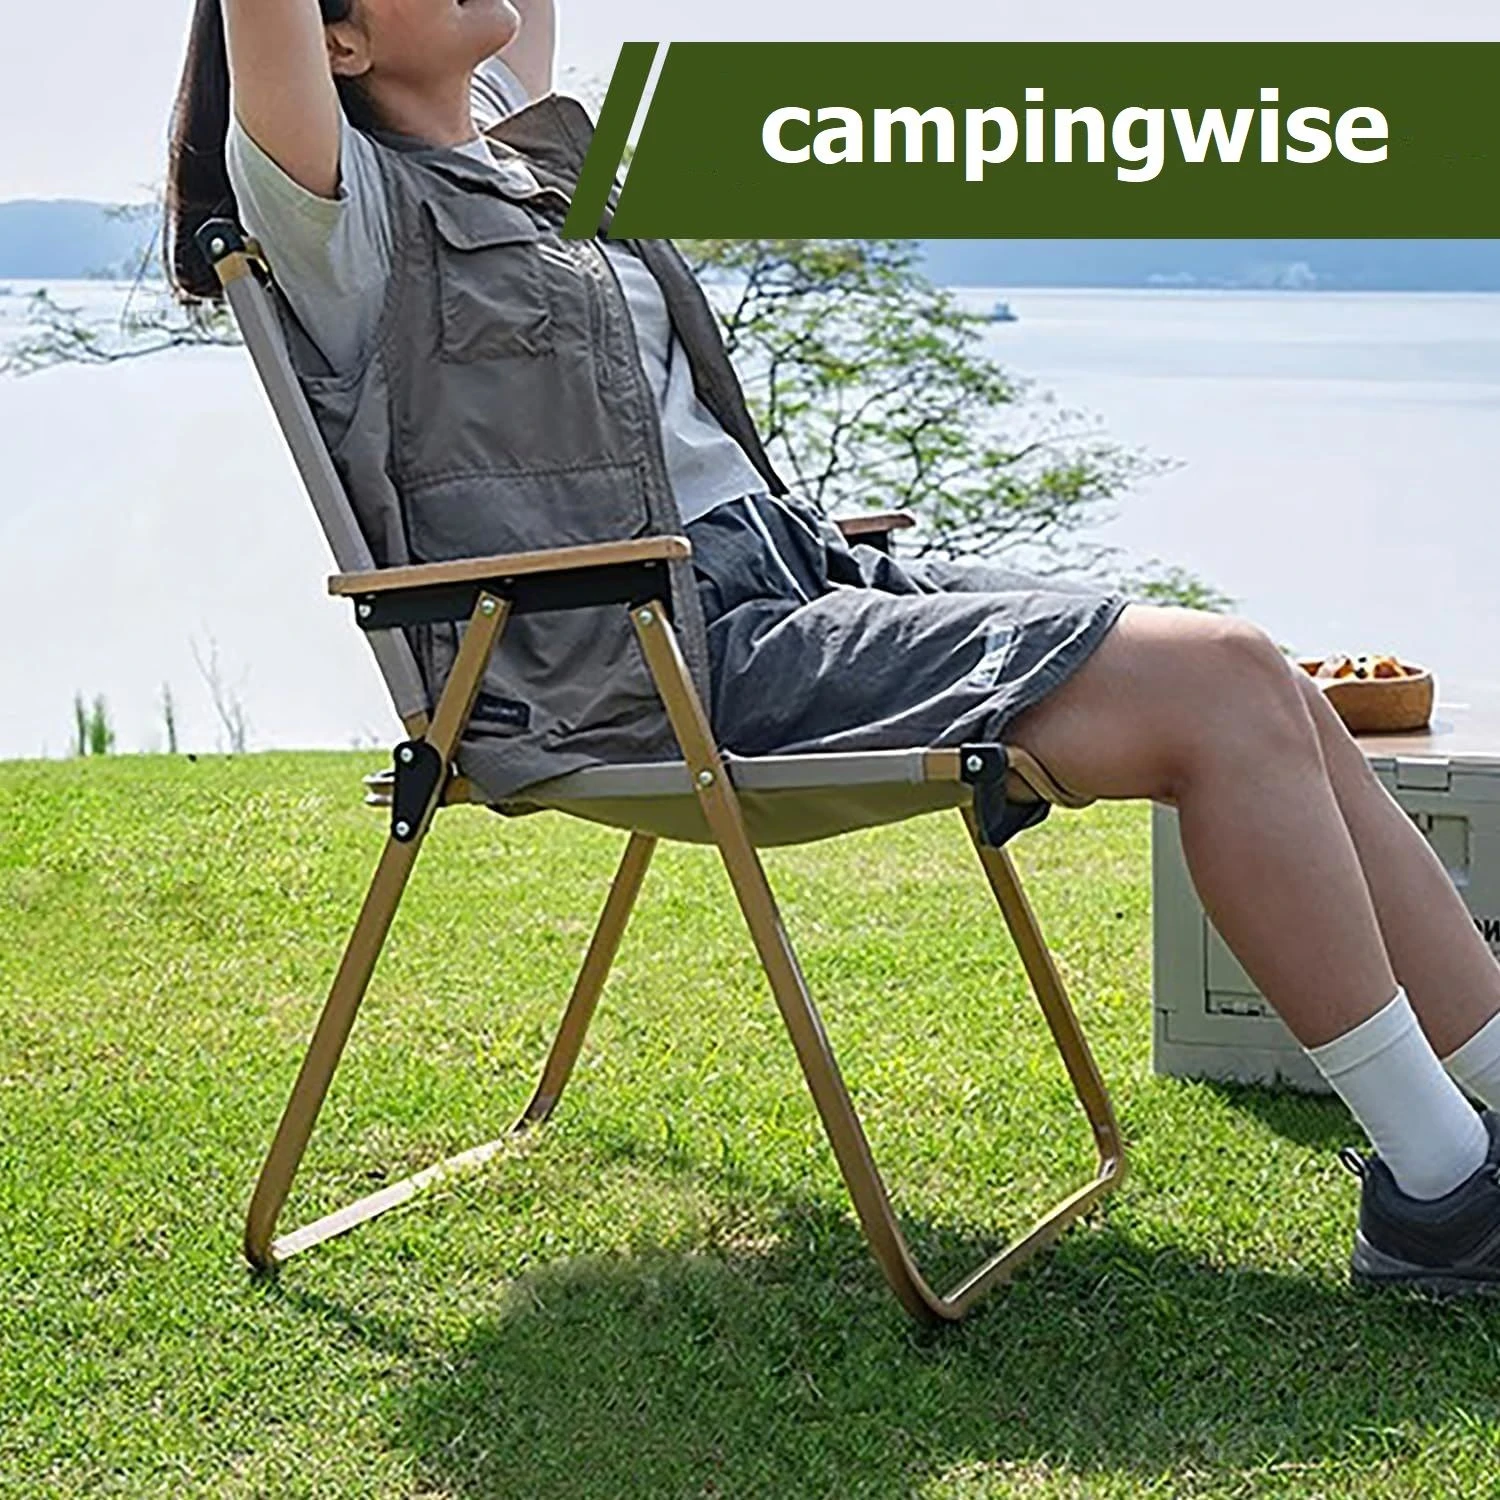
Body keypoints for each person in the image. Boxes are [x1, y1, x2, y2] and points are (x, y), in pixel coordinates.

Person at [167, 0, 1500, 1294]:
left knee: (1265, 680)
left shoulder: (523, 150)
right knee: (1219, 686)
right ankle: (1442, 1191)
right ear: (339, 40)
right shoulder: (342, 216)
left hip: (793, 570)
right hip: (657, 656)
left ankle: (1488, 1099)